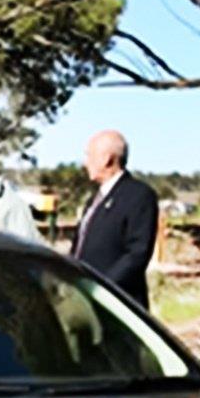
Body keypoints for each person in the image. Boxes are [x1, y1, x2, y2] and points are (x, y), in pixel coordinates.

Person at [72, 129, 160, 307]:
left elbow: (137, 253)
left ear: (107, 159)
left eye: (90, 155)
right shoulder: (94, 200)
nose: (85, 163)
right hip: (86, 298)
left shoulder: (139, 195)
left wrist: (101, 288)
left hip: (118, 301)